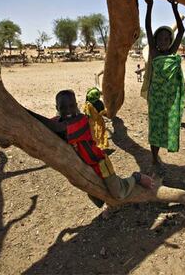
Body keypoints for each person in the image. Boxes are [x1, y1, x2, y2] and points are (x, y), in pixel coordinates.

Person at [25, 90, 155, 210]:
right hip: (84, 167)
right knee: (96, 195)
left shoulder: (81, 120)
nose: (68, 110)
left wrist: (27, 113)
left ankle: (136, 177)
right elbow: (49, 125)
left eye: (71, 106)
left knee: (119, 193)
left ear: (76, 105)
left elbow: (58, 128)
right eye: (63, 108)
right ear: (57, 109)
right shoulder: (58, 120)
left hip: (100, 164)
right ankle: (110, 205)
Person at [143, 0, 185, 177]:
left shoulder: (172, 51)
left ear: (170, 40)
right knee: (155, 126)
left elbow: (182, 30)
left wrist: (175, 9)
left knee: (167, 123)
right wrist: (149, 6)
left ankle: (159, 154)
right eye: (160, 38)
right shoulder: (153, 51)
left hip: (168, 98)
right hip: (155, 97)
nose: (163, 41)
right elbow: (147, 27)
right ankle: (154, 157)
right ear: (156, 40)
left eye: (167, 38)